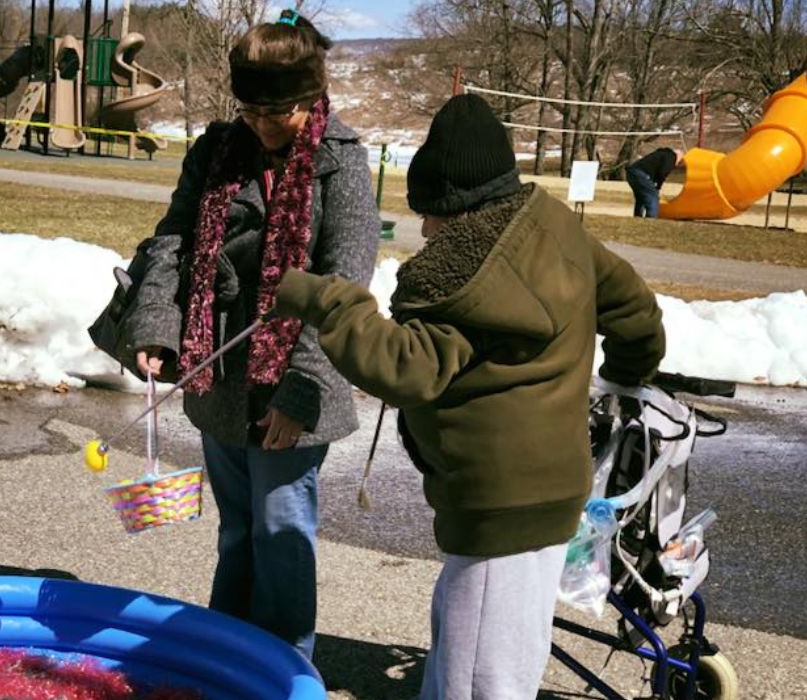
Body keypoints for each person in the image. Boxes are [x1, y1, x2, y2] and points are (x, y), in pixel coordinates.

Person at [272, 93, 666, 699]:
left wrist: (327, 299)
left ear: (458, 207)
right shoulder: (557, 228)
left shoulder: (464, 283)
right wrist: (625, 375)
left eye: (431, 214)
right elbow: (637, 313)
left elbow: (404, 367)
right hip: (550, 493)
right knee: (479, 653)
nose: (425, 229)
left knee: (480, 677)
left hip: (498, 507)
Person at [106, 9, 379, 660]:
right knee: (237, 530)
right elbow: (172, 242)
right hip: (222, 374)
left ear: (312, 96)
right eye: (251, 110)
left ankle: (284, 672)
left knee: (281, 531)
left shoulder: (342, 165)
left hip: (296, 376)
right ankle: (225, 659)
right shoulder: (216, 151)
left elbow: (344, 286)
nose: (262, 124)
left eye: (278, 111)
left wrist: (301, 391)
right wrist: (157, 326)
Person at [625, 146, 683, 218]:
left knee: (641, 196)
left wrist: (655, 184)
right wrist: (658, 186)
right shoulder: (671, 157)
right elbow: (663, 172)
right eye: (679, 161)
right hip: (640, 174)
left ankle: (638, 217)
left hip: (631, 172)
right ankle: (651, 218)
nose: (677, 164)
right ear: (678, 156)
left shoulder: (661, 154)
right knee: (653, 196)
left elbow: (655, 170)